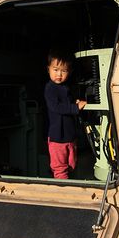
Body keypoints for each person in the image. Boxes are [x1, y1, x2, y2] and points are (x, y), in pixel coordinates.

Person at [44, 49, 87, 179]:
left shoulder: (66, 87)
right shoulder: (50, 88)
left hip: (70, 137)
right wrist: (75, 107)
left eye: (63, 71)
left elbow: (67, 103)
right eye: (55, 69)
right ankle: (63, 191)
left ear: (69, 72)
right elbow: (56, 107)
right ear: (48, 69)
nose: (59, 74)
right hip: (58, 138)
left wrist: (76, 102)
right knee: (60, 169)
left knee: (71, 165)